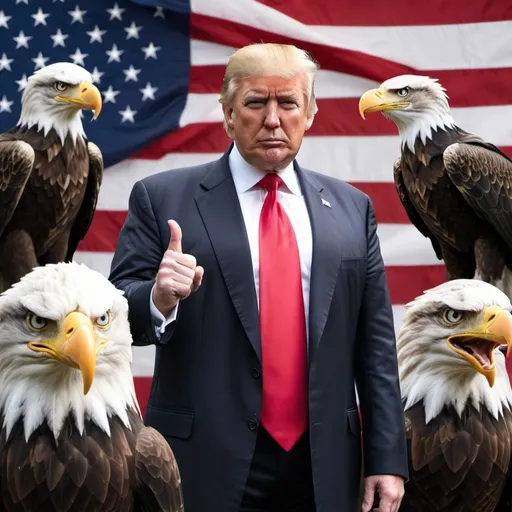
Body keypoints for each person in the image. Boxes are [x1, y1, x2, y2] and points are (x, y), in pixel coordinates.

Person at [109, 42, 409, 512]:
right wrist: (157, 297)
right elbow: (113, 315)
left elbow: (375, 347)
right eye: (255, 103)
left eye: (288, 103)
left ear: (309, 113)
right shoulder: (162, 198)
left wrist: (387, 458)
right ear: (228, 113)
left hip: (324, 463)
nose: (273, 119)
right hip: (202, 459)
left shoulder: (353, 209)